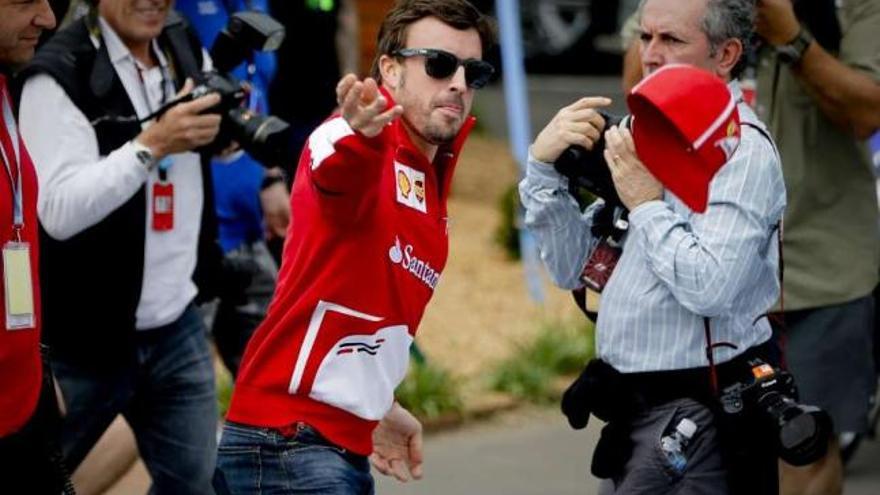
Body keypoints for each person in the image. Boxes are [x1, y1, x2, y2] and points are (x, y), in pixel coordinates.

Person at [214, 0, 496, 492]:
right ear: (389, 69)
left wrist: (379, 406)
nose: (457, 82)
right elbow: (337, 172)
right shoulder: (344, 137)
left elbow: (360, 309)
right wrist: (361, 135)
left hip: (329, 444)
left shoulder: (427, 175)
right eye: (438, 64)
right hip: (288, 443)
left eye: (473, 71)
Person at [521, 0, 787, 493]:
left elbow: (710, 288)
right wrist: (542, 174)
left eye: (672, 41)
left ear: (725, 53)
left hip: (701, 410)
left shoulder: (740, 149)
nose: (651, 55)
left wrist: (645, 203)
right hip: (633, 409)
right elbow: (575, 269)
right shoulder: (640, 127)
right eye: (645, 38)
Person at [17, 0, 224, 492]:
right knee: (31, 479)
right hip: (85, 337)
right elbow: (57, 211)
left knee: (195, 485)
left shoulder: (181, 41)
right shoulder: (57, 70)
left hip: (177, 322)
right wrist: (150, 145)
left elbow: (216, 129)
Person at [752, 1, 880, 493]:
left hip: (818, 265)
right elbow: (639, 82)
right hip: (709, 264)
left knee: (804, 444)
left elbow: (867, 112)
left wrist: (791, 36)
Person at [175, 0, 289, 377]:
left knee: (275, 379)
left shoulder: (256, 4)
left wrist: (271, 177)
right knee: (189, 388)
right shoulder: (172, 10)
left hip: (249, 222)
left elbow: (255, 91)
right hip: (196, 234)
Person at [0, 2, 70, 493]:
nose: (47, 18)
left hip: (23, 399)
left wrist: (37, 371)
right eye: (24, 0)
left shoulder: (5, 82)